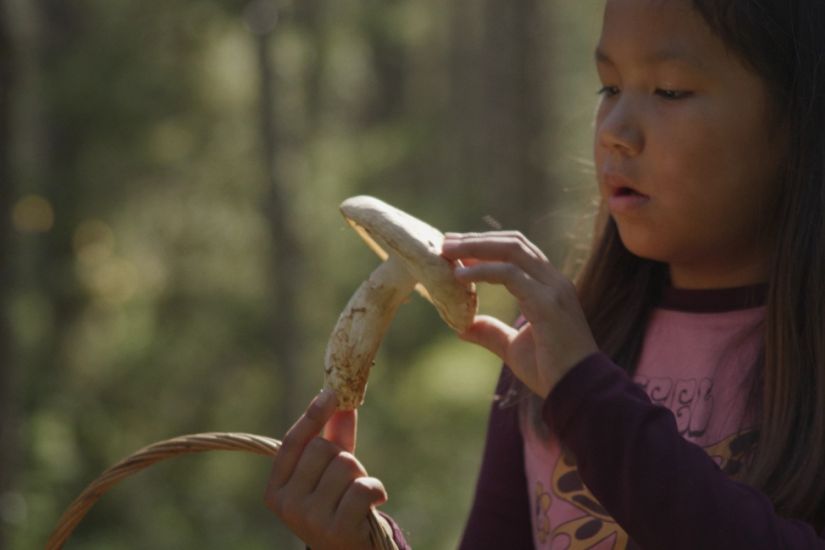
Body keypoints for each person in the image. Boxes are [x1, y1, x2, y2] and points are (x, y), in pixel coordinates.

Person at [263, 0, 825, 547]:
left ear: (799, 115)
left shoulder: (569, 371)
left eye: (670, 90)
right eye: (609, 87)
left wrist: (586, 394)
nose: (615, 130)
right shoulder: (545, 359)